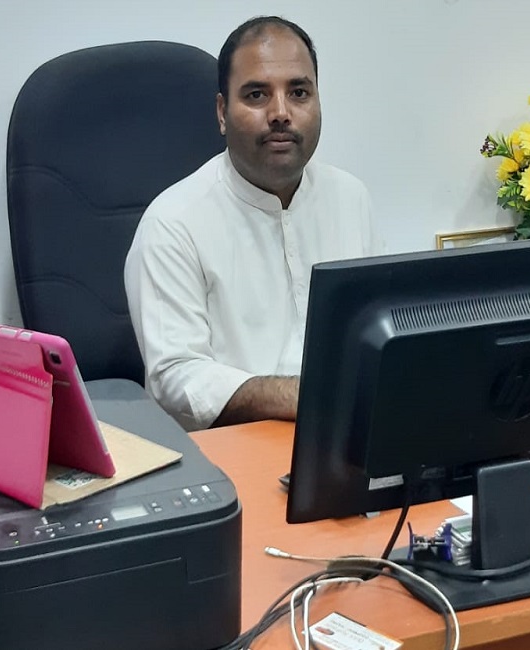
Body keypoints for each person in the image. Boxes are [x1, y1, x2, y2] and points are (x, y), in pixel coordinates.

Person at [124, 16, 377, 431]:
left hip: (343, 439)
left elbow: (376, 336)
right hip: (230, 447)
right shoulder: (172, 223)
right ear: (222, 113)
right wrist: (301, 397)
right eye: (257, 95)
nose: (281, 113)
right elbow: (176, 376)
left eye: (299, 92)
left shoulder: (351, 198)